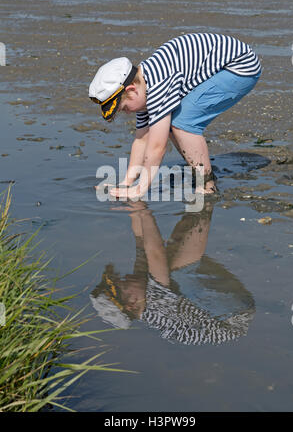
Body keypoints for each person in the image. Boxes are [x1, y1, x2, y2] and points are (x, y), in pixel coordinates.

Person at [89, 33, 261, 199]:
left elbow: (157, 146)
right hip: (223, 66)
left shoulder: (157, 85)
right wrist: (126, 183)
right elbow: (142, 139)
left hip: (240, 67)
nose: (127, 112)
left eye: (124, 108)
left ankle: (207, 187)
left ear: (131, 90)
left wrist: (139, 189)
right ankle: (201, 173)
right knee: (169, 125)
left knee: (182, 123)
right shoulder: (144, 87)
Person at [90, 201, 255, 345]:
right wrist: (144, 211)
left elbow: (141, 244)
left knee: (164, 261)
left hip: (217, 310)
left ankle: (198, 205)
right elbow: (155, 252)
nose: (125, 276)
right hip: (232, 316)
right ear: (131, 303)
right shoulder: (155, 306)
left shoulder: (140, 297)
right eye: (122, 282)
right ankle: (205, 205)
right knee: (175, 270)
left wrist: (134, 207)